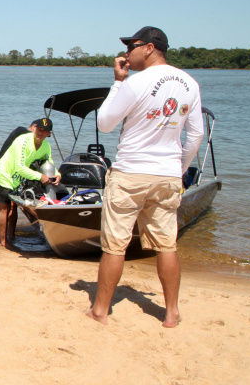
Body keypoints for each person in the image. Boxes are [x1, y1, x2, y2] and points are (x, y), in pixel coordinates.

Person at [86, 27, 203, 328]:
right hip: (167, 175)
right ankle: (172, 312)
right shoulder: (190, 83)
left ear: (149, 48)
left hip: (131, 172)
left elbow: (105, 123)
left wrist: (117, 82)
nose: (126, 53)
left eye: (132, 46)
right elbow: (196, 135)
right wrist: (179, 170)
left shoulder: (136, 83)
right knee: (167, 244)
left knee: (115, 246)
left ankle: (100, 310)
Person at [0, 118, 59, 249]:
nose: (40, 133)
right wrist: (40, 176)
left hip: (15, 179)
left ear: (49, 134)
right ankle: (3, 242)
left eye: (45, 131)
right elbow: (19, 167)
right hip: (3, 174)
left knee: (0, 208)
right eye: (39, 129)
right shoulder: (24, 140)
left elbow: (49, 163)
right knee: (4, 207)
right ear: (35, 128)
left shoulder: (46, 146)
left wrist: (57, 175)